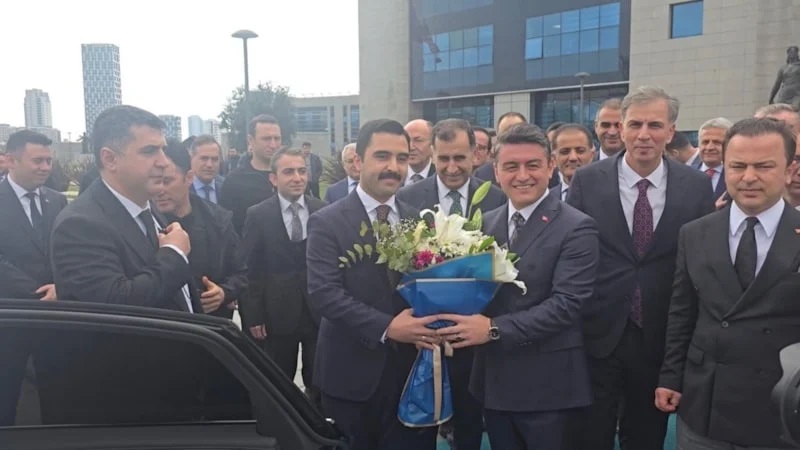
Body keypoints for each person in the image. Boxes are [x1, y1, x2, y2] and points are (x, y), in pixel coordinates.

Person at [564, 86, 714, 450]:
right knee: (589, 437)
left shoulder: (696, 186)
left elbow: (698, 263)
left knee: (646, 437)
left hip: (659, 338)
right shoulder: (588, 180)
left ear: (671, 130)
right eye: (635, 124)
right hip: (598, 336)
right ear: (621, 128)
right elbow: (574, 254)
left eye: (655, 125)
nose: (644, 134)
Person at [436, 123, 599, 450]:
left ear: (550, 167)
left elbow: (567, 304)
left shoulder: (577, 227)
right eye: (511, 166)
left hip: (549, 385)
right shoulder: (485, 223)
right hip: (495, 381)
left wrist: (493, 329)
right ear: (496, 172)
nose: (522, 175)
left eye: (532, 165)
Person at [657, 118, 800, 449]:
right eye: (738, 166)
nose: (749, 177)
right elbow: (681, 313)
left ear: (789, 170)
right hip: (706, 404)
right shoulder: (695, 233)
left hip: (780, 409)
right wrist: (670, 377)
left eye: (763, 166)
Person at [306, 119, 438, 450]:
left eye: (402, 158)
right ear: (358, 160)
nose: (393, 167)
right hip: (350, 378)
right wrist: (388, 327)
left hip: (411, 377)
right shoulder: (326, 221)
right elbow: (324, 294)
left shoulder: (419, 220)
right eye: (382, 156)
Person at [396, 118, 505, 450]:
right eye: (443, 158)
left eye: (460, 157)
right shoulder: (407, 199)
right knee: (422, 427)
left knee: (470, 423)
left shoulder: (498, 198)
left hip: (475, 335)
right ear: (432, 154)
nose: (452, 167)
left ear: (475, 154)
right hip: (423, 337)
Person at [51, 105, 200, 312]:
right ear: (110, 159)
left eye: (163, 150)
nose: (164, 162)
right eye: (149, 151)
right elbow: (115, 306)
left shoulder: (147, 207)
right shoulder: (79, 225)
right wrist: (174, 254)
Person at [241, 147, 326, 407]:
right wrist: (253, 314)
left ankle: (318, 422)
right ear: (274, 178)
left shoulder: (322, 211)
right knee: (279, 380)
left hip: (316, 310)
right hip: (277, 312)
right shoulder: (258, 215)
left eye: (302, 171)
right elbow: (250, 268)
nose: (297, 178)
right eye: (288, 172)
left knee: (319, 378)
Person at [0, 129, 67, 426]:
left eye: (48, 161)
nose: (45, 167)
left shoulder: (57, 201)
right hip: (10, 318)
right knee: (7, 396)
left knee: (56, 395)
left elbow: (68, 250)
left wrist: (61, 286)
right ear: (11, 161)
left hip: (57, 317)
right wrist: (38, 292)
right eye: (37, 161)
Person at [155, 140, 247, 319]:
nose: (159, 190)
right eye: (155, 182)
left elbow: (241, 272)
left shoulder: (219, 220)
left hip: (212, 324)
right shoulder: (146, 222)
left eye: (167, 181)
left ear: (189, 178)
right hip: (166, 324)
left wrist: (223, 292)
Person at [219, 114, 281, 234]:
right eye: (266, 139)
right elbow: (227, 227)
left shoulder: (291, 176)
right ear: (250, 140)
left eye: (277, 138)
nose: (273, 145)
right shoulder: (234, 181)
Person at [188, 134, 225, 204]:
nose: (209, 165)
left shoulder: (226, 187)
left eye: (214, 159)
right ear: (191, 159)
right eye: (204, 158)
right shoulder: (182, 189)